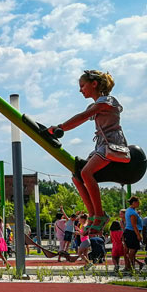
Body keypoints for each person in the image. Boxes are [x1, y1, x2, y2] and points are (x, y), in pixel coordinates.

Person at [48, 70, 129, 233]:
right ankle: (92, 214)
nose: (80, 90)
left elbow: (83, 116)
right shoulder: (95, 105)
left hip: (112, 143)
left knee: (86, 173)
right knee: (77, 175)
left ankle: (100, 214)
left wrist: (60, 127)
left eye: (82, 86)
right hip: (101, 144)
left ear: (94, 84)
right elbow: (83, 117)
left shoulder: (107, 101)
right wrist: (58, 129)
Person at [123, 196, 144, 272]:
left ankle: (130, 266)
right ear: (134, 202)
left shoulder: (130, 210)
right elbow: (134, 224)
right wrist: (138, 235)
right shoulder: (132, 212)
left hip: (130, 232)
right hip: (132, 232)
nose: (139, 204)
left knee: (132, 250)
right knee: (132, 250)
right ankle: (132, 266)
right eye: (138, 202)